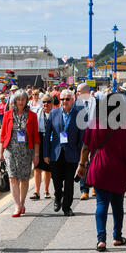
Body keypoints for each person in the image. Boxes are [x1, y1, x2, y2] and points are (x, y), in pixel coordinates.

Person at [75, 93, 126, 252]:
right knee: (117, 204)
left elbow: (86, 148)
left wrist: (81, 165)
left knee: (101, 203)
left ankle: (101, 240)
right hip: (119, 169)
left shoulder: (94, 124)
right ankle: (117, 236)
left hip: (99, 167)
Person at [44, 89, 84, 217]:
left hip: (72, 154)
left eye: (67, 99)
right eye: (62, 99)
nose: (64, 102)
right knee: (56, 180)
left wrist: (82, 158)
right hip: (56, 153)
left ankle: (67, 207)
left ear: (73, 100)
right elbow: (47, 135)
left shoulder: (79, 115)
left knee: (69, 182)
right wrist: (46, 154)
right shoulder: (53, 113)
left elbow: (82, 139)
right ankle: (57, 197)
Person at [0, 89, 40, 217]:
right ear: (14, 101)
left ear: (26, 101)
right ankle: (17, 206)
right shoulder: (7, 115)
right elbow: (3, 135)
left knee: (23, 178)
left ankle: (22, 203)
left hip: (26, 151)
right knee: (12, 177)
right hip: (10, 150)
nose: (21, 102)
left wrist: (36, 155)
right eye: (18, 99)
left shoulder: (32, 116)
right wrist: (1, 153)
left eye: (23, 99)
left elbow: (36, 137)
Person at [29, 94, 53, 201]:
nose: (45, 104)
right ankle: (36, 191)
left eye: (48, 102)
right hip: (39, 140)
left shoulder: (56, 113)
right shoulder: (37, 113)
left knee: (48, 168)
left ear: (52, 103)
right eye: (43, 102)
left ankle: (46, 190)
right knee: (37, 167)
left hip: (51, 141)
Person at [75, 83, 96, 200]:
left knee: (94, 160)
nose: (77, 93)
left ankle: (95, 186)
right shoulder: (76, 104)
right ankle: (84, 190)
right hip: (82, 137)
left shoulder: (97, 102)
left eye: (79, 91)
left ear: (86, 92)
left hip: (94, 135)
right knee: (83, 162)